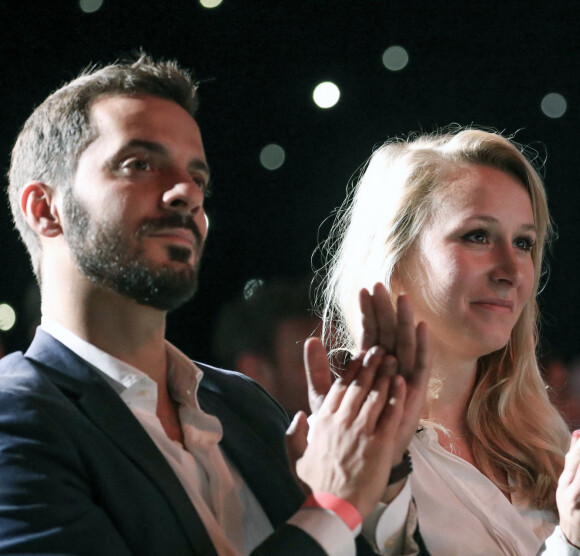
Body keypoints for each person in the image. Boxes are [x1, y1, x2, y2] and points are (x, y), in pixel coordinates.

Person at [0, 54, 430, 556]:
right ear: (44, 209)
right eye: (139, 164)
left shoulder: (243, 406)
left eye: (197, 178)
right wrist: (335, 507)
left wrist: (381, 468)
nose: (187, 193)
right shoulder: (18, 419)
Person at [316, 128, 579, 554]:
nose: (511, 270)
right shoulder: (349, 459)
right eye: (478, 236)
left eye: (524, 243)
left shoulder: (547, 448)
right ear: (394, 257)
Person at [213, 278, 319, 416]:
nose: (338, 371)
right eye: (309, 358)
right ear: (254, 372)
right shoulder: (211, 435)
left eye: (342, 355)